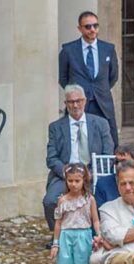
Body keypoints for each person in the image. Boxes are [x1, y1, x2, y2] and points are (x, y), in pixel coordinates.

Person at [43, 84, 114, 231]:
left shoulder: (101, 124)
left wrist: (91, 173)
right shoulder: (56, 127)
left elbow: (108, 154)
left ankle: (97, 233)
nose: (75, 105)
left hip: (93, 174)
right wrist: (67, 173)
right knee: (50, 201)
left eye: (78, 101)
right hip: (65, 175)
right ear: (66, 104)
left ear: (85, 101)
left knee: (104, 201)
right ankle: (59, 234)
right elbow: (51, 158)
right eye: (71, 102)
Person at [59, 11, 119, 148]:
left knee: (108, 143)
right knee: (78, 142)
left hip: (102, 103)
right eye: (88, 26)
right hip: (79, 104)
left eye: (95, 26)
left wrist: (99, 90)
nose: (92, 30)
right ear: (79, 29)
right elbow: (63, 78)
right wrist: (76, 93)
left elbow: (113, 76)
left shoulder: (108, 49)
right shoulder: (68, 50)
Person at [50, 163, 100, 264]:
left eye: (77, 181)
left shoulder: (89, 199)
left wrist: (98, 235)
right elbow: (58, 222)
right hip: (66, 236)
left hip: (83, 236)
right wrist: (55, 243)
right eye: (70, 181)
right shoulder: (62, 201)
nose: (73, 184)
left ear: (83, 180)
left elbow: (95, 220)